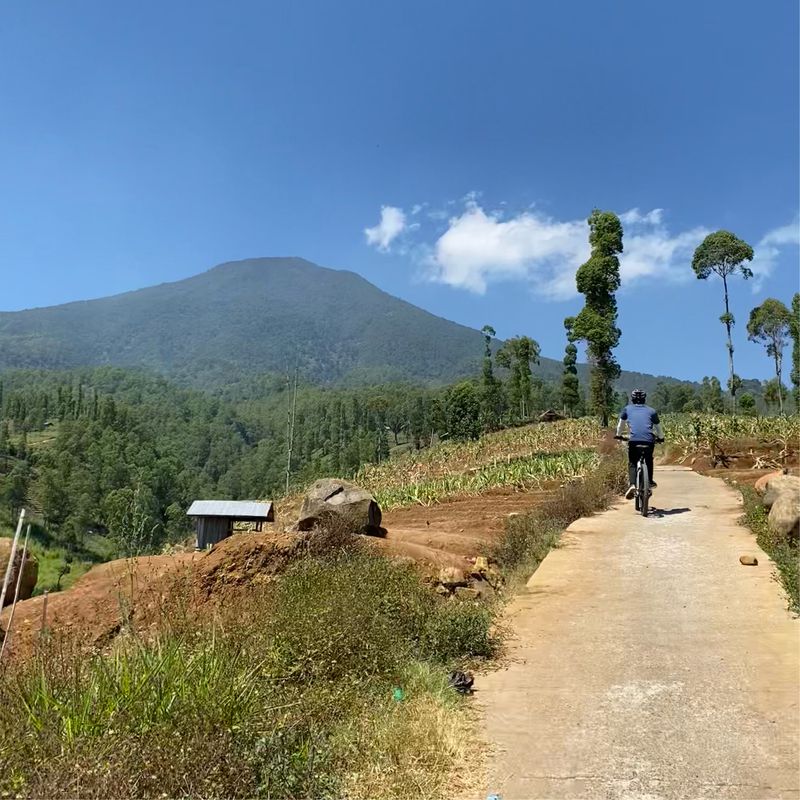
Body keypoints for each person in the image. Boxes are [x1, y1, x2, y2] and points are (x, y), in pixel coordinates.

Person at [615, 389, 664, 499]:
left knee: (632, 462)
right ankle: (650, 481)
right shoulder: (651, 411)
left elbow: (620, 425)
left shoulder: (627, 409)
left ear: (632, 399)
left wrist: (618, 435)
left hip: (634, 441)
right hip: (648, 441)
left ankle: (632, 484)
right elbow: (658, 427)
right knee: (649, 459)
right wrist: (661, 438)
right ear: (644, 399)